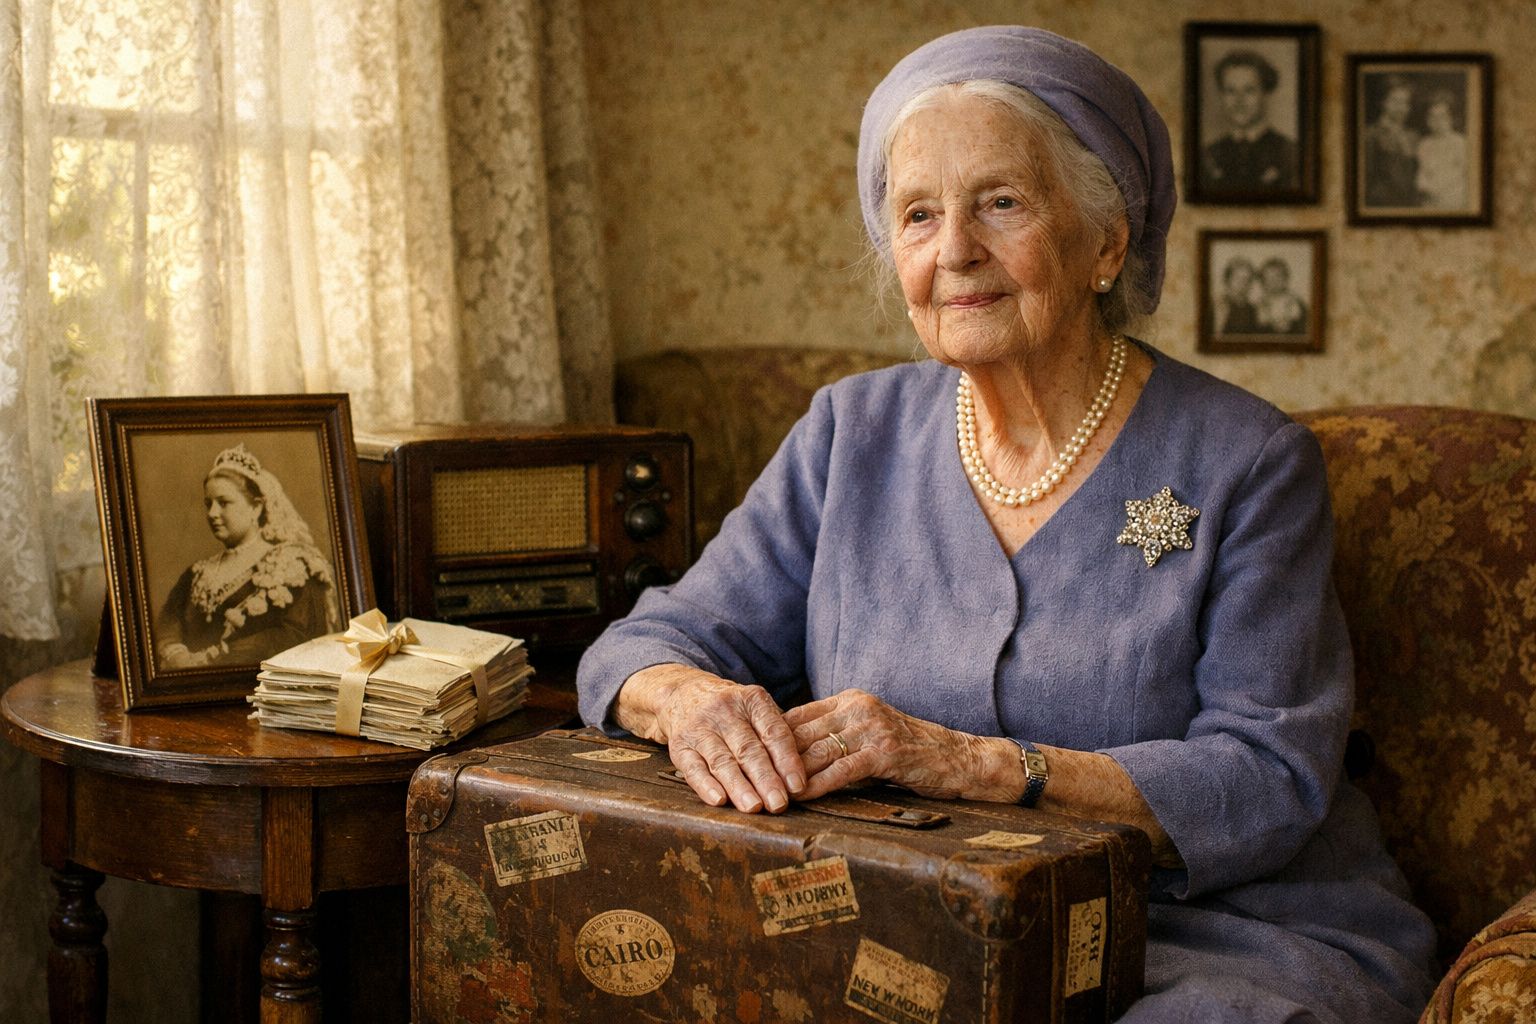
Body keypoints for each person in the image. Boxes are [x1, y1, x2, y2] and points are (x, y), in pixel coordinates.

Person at [578, 25, 1435, 1022]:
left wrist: (966, 762)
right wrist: (687, 701)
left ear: (1106, 242)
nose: (955, 252)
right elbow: (644, 644)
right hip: (931, 932)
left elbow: (1269, 774)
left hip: (1212, 941)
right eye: (917, 215)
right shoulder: (849, 434)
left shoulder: (1249, 463)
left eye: (1001, 203)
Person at [156, 444, 340, 669]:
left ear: (256, 508)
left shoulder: (293, 567)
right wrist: (176, 653)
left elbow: (298, 638)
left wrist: (216, 659)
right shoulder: (197, 572)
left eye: (224, 503)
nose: (212, 513)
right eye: (208, 504)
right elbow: (168, 620)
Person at [1199, 49, 1298, 193]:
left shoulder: (1289, 153)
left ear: (1265, 93)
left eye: (1249, 90)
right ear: (1221, 95)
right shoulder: (1208, 156)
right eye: (1230, 91)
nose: (1239, 101)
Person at [1364, 75, 1421, 207]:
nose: (1401, 108)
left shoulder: (1414, 137)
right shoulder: (1371, 135)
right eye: (1395, 101)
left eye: (1405, 102)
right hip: (1382, 207)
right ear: (1383, 102)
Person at [1415, 90, 1467, 209]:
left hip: (1454, 198)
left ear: (1452, 118)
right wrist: (1424, 186)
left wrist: (1439, 189)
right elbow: (1422, 172)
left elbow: (1461, 173)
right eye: (1432, 116)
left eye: (1442, 116)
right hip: (1429, 200)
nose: (1437, 122)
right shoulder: (1424, 144)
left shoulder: (1460, 142)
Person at [1255, 257, 1308, 334]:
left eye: (1278, 276)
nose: (1273, 281)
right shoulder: (1257, 306)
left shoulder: (1298, 304)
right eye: (1268, 277)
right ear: (1263, 281)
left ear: (1286, 278)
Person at [1215, 257, 1260, 334]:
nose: (1243, 284)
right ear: (1227, 280)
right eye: (1238, 278)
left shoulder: (1252, 309)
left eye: (1248, 279)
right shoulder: (1217, 305)